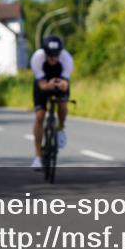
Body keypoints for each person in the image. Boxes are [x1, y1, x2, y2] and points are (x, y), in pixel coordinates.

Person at [29, 35, 72, 170]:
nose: (53, 58)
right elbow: (41, 85)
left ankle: (61, 128)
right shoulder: (37, 58)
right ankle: (37, 157)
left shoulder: (66, 58)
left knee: (63, 105)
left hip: (59, 83)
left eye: (56, 55)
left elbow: (66, 82)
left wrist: (63, 85)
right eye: (50, 55)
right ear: (45, 53)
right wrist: (48, 85)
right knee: (40, 116)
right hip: (43, 84)